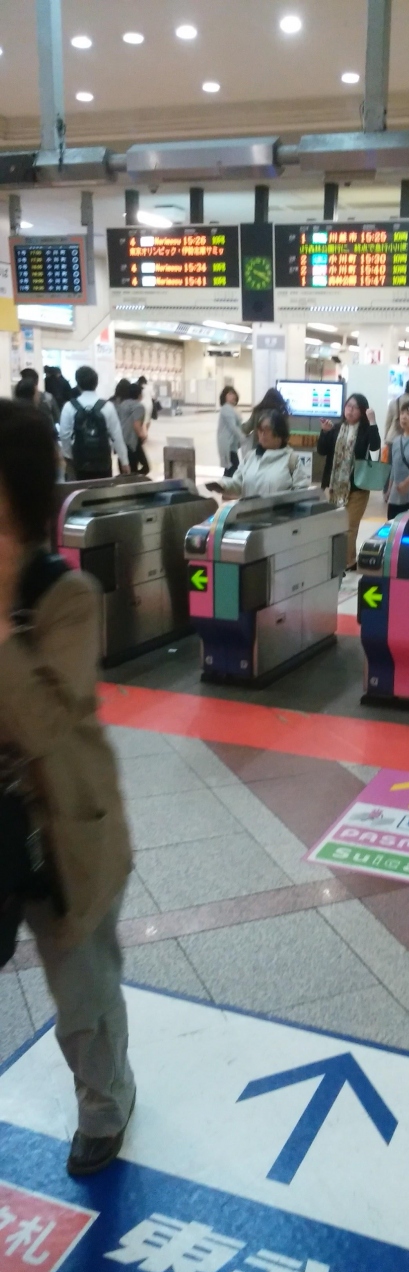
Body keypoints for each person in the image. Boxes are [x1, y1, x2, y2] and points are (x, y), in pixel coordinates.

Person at [0, 399, 135, 1176]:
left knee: (82, 991)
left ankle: (106, 1105)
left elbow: (46, 725)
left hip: (63, 832)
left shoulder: (68, 597)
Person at [317, 392, 381, 571]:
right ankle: (343, 559)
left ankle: (347, 562)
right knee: (334, 525)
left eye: (355, 408)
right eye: (348, 406)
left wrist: (373, 422)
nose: (350, 410)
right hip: (333, 486)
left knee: (350, 525)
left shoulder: (366, 430)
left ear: (362, 411)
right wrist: (324, 432)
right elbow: (322, 450)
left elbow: (375, 449)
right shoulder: (336, 428)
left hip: (357, 486)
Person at [208, 409, 309, 499]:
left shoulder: (291, 461)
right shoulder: (250, 457)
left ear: (280, 433)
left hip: (278, 515)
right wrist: (222, 485)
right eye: (260, 430)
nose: (263, 434)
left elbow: (300, 495)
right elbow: (238, 483)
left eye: (267, 430)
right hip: (249, 513)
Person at [59, 367, 129, 480]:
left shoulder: (69, 407)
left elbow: (64, 435)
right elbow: (117, 436)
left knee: (80, 489)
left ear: (78, 383)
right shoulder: (107, 406)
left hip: (80, 462)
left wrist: (69, 457)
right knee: (103, 489)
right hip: (103, 461)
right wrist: (124, 461)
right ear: (96, 383)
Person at [386, 399, 409, 519]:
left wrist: (407, 483)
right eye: (402, 413)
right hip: (396, 496)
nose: (403, 417)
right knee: (393, 526)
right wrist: (389, 489)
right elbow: (394, 467)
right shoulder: (396, 441)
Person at [118, 382, 149, 475]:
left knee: (125, 470)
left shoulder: (122, 404)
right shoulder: (139, 406)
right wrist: (142, 435)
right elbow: (136, 425)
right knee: (144, 468)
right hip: (132, 443)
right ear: (139, 395)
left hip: (121, 442)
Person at [217, 386, 243, 476]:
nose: (233, 396)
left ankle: (223, 484)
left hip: (231, 446)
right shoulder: (226, 408)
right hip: (228, 446)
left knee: (230, 471)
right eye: (230, 394)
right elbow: (233, 427)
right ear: (224, 396)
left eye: (234, 393)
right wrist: (244, 438)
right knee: (234, 470)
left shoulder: (232, 409)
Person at [384, 378, 409, 444]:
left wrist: (385, 437)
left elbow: (388, 422)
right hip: (408, 439)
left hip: (392, 437)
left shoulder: (394, 402)